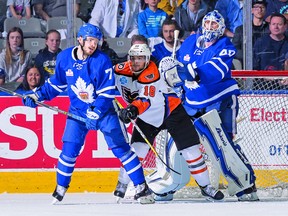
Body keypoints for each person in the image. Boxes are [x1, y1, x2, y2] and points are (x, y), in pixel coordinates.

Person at [22, 23, 155, 205]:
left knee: (120, 149)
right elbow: (55, 86)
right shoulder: (64, 58)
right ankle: (61, 187)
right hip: (77, 113)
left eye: (96, 41)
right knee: (69, 150)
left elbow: (108, 92)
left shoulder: (102, 60)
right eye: (90, 40)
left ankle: (141, 186)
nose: (93, 44)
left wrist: (96, 111)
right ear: (80, 40)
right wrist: (37, 95)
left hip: (104, 112)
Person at [161, 10, 259, 201]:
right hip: (191, 102)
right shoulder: (190, 41)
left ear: (221, 28)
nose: (209, 27)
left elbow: (217, 70)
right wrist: (172, 74)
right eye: (207, 23)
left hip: (219, 100)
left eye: (214, 24)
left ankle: (245, 186)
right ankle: (169, 183)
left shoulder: (225, 46)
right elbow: (179, 67)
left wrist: (189, 72)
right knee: (178, 141)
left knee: (223, 144)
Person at [113, 43, 224, 202]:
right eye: (134, 58)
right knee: (137, 151)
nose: (137, 62)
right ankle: (122, 183)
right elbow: (106, 76)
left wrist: (132, 110)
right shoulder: (121, 68)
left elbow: (144, 101)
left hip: (172, 112)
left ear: (148, 59)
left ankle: (206, 187)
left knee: (191, 150)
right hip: (148, 117)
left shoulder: (151, 74)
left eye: (141, 58)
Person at [253, 12, 288, 90]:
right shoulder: (260, 43)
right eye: (273, 24)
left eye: (279, 24)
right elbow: (254, 67)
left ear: (285, 26)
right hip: (263, 85)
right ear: (269, 26)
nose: (276, 27)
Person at [232, 0, 270, 65]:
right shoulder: (241, 29)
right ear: (252, 10)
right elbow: (235, 48)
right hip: (245, 62)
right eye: (256, 7)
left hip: (266, 62)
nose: (259, 10)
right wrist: (249, 57)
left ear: (266, 10)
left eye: (262, 7)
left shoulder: (270, 28)